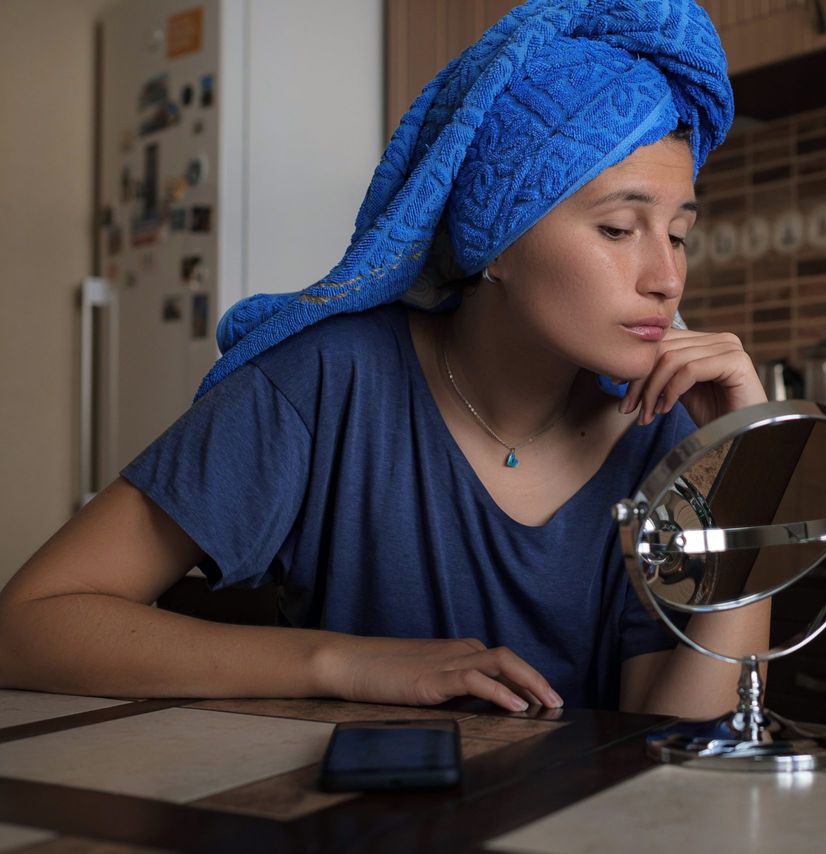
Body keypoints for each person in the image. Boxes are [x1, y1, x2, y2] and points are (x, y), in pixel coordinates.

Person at [0, 0, 767, 718]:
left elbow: (686, 751)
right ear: (494, 241)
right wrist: (345, 664)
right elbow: (29, 624)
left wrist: (751, 477)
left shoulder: (662, 428)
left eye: (678, 235)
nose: (667, 279)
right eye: (618, 229)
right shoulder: (325, 381)